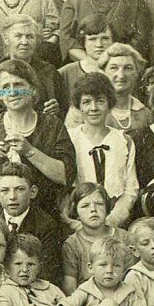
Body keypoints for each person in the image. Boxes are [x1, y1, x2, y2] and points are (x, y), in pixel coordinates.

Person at [0, 58, 73, 215]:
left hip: (43, 215)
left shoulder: (52, 125)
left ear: (33, 90)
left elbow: (65, 175)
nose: (12, 91)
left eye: (18, 85)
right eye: (5, 87)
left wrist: (29, 151)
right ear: (0, 95)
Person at [64, 72, 141, 224]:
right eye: (86, 102)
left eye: (100, 101)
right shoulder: (69, 139)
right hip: (79, 218)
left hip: (116, 217)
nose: (93, 108)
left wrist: (113, 219)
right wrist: (77, 223)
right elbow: (64, 190)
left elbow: (131, 189)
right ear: (79, 106)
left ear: (109, 103)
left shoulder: (124, 141)